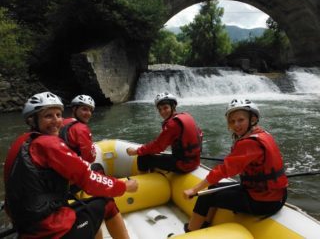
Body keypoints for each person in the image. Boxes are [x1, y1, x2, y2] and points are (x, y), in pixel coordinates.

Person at [3, 92, 138, 239]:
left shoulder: (21, 141)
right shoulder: (49, 143)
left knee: (88, 210)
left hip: (26, 223)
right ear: (33, 120)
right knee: (107, 203)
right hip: (49, 229)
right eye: (48, 116)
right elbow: (88, 178)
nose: (56, 121)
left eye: (58, 115)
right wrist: (124, 186)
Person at [183, 99, 288, 232]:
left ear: (253, 119)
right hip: (271, 195)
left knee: (205, 196)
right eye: (232, 121)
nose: (236, 125)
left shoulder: (249, 143)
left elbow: (223, 170)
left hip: (262, 201)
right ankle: (205, 223)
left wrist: (194, 190)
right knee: (213, 187)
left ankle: (190, 231)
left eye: (240, 120)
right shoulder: (262, 134)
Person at [60, 94, 129, 238]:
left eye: (90, 110)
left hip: (60, 179)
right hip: (71, 181)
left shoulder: (61, 123)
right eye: (84, 109)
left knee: (98, 167)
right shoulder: (81, 128)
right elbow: (89, 157)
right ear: (75, 109)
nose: (88, 113)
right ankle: (102, 197)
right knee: (98, 171)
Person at [126, 92, 203, 173]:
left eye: (165, 108)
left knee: (143, 157)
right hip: (194, 161)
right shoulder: (185, 116)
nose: (162, 112)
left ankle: (142, 181)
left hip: (183, 165)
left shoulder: (172, 124)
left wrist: (136, 151)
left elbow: (158, 146)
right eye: (160, 109)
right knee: (155, 155)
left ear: (173, 107)